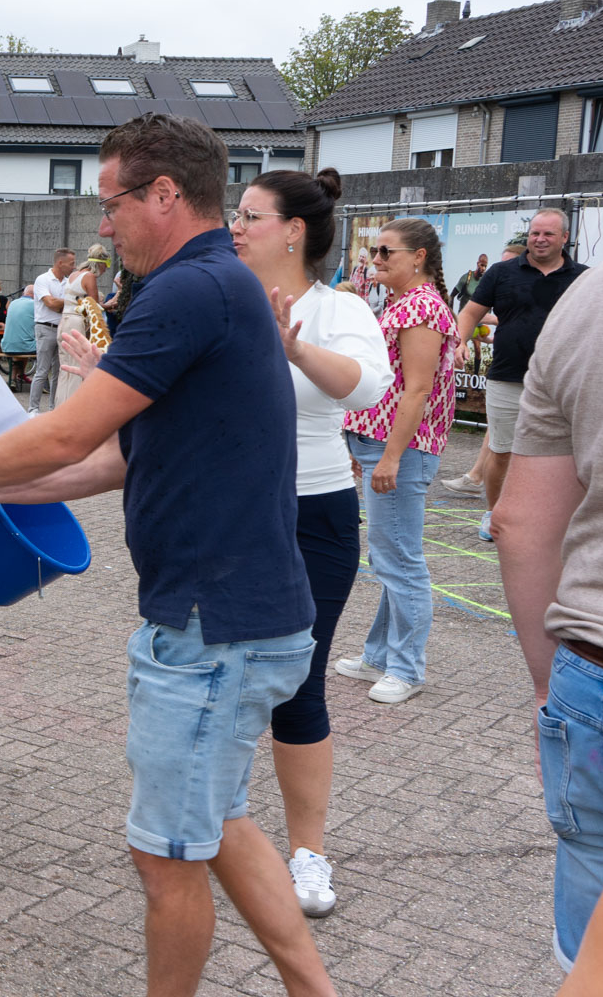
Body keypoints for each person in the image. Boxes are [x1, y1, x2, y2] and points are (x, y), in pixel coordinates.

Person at [0, 113, 335, 996]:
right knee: (218, 823)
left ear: (163, 194)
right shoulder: (217, 284)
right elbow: (113, 460)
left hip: (211, 628)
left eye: (111, 203)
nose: (102, 225)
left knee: (165, 859)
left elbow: (68, 433)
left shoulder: (187, 291)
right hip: (238, 618)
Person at [230, 169, 391, 918]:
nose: (235, 226)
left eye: (250, 215)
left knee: (299, 683)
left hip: (313, 513)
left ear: (293, 230)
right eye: (234, 214)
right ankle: (215, 830)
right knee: (221, 675)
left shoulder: (337, 308)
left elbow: (365, 387)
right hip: (231, 512)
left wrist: (295, 351)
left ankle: (307, 854)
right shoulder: (221, 299)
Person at [495, 256, 603, 979]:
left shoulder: (588, 300)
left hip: (593, 669)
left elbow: (520, 523)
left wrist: (548, 687)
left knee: (589, 958)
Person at [336, 219, 459, 704]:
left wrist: (390, 456)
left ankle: (406, 668)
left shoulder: (421, 307)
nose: (377, 259)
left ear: (419, 256)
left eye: (388, 251)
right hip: (383, 445)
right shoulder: (404, 303)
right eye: (376, 251)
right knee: (390, 558)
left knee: (400, 561)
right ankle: (380, 656)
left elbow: (418, 390)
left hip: (402, 449)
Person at [454, 210, 588, 542]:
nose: (539, 239)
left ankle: (558, 518)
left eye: (548, 234)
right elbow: (470, 312)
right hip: (508, 376)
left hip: (564, 382)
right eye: (534, 233)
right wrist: (459, 342)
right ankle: (494, 514)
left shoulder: (583, 277)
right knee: (501, 451)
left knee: (566, 455)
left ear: (564, 238)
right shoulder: (502, 272)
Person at [52, 247, 105, 408]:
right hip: (76, 322)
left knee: (65, 368)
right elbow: (94, 306)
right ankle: (73, 407)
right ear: (101, 264)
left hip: (64, 320)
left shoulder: (74, 275)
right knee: (77, 366)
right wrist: (109, 305)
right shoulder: (89, 276)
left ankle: (60, 405)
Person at [26, 248, 75, 413]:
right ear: (60, 263)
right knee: (42, 370)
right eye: (71, 263)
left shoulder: (68, 282)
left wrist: (60, 303)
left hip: (62, 328)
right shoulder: (43, 279)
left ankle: (54, 408)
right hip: (45, 328)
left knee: (59, 372)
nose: (73, 267)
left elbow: (59, 304)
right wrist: (68, 301)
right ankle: (33, 408)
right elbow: (51, 304)